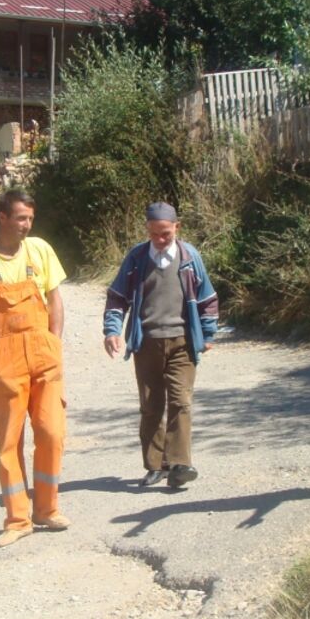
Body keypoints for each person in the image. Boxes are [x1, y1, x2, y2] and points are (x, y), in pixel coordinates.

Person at [0, 189, 70, 548]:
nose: (27, 225)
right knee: (10, 442)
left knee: (52, 432)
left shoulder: (40, 250)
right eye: (21, 218)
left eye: (30, 218)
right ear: (2, 217)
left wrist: (54, 343)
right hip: (6, 361)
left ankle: (47, 509)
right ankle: (18, 519)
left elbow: (55, 299)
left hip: (44, 357)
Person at [103, 202, 219, 488]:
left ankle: (180, 465)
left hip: (183, 342)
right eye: (154, 233)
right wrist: (112, 330)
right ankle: (156, 466)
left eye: (165, 233)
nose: (159, 239)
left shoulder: (190, 257)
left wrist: (207, 333)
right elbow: (117, 296)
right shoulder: (137, 258)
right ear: (147, 229)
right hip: (146, 343)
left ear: (177, 227)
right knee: (151, 405)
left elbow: (207, 297)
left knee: (181, 402)